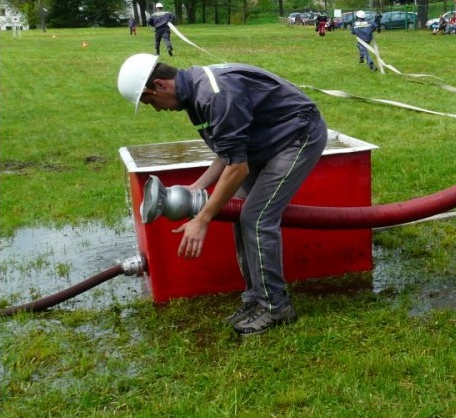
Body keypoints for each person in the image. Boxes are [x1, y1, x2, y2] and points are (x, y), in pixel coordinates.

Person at [116, 53, 329, 334]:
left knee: (256, 217)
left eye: (150, 101)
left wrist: (202, 219)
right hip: (266, 140)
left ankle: (277, 307)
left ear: (160, 85)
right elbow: (228, 152)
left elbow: (237, 168)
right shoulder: (195, 95)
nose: (156, 109)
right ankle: (255, 299)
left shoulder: (215, 95)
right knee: (242, 213)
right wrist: (198, 187)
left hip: (297, 137)